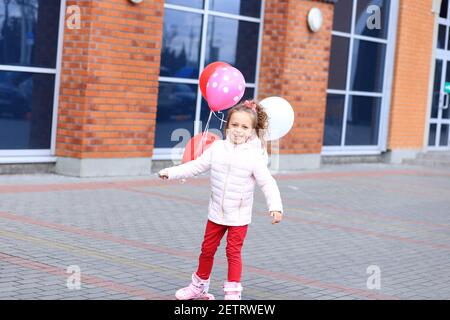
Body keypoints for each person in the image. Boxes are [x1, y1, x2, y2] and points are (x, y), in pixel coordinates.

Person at [158, 100, 283, 300]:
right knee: (206, 250)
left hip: (239, 216)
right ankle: (198, 286)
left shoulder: (254, 156)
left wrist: (275, 207)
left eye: (244, 127)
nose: (238, 130)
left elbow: (267, 182)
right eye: (234, 125)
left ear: (252, 131)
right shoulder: (217, 148)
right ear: (227, 126)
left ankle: (232, 294)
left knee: (233, 253)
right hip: (216, 213)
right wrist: (171, 173)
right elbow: (196, 166)